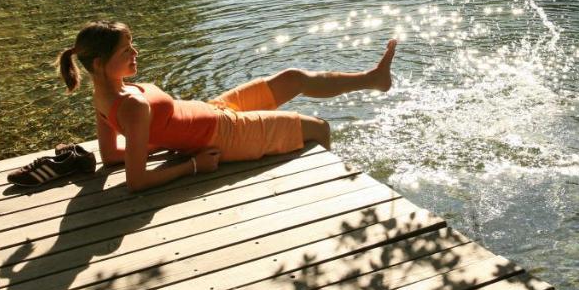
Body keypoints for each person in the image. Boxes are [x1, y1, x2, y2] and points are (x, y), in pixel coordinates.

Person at [55, 21, 397, 191]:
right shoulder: (129, 105)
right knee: (319, 128)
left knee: (293, 77)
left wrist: (154, 141)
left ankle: (372, 78)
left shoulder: (105, 93)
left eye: (132, 45)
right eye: (125, 51)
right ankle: (331, 193)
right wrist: (193, 166)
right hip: (226, 134)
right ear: (99, 64)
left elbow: (113, 155)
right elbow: (135, 180)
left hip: (215, 109)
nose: (135, 53)